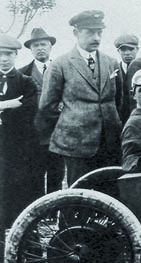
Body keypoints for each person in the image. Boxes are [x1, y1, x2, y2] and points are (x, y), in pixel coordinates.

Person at [36, 10, 123, 186]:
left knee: (111, 192)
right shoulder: (60, 65)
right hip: (76, 145)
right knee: (80, 193)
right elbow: (47, 106)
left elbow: (119, 100)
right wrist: (71, 121)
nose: (96, 37)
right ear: (76, 33)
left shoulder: (111, 63)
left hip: (110, 141)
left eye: (99, 32)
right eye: (90, 32)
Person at [0, 35, 42, 260]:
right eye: (0, 54)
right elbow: (16, 107)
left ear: (16, 56)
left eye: (8, 54)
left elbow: (28, 111)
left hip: (20, 152)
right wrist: (6, 104)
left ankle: (31, 253)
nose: (3, 59)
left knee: (25, 200)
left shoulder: (26, 82)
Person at [19, 27, 64, 194]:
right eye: (36, 45)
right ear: (30, 49)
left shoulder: (60, 69)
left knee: (56, 174)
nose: (40, 48)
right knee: (34, 175)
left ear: (50, 46)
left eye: (43, 44)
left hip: (57, 133)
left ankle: (54, 211)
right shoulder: (22, 73)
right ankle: (38, 214)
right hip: (33, 135)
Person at [114, 33, 140, 125]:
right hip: (120, 120)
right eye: (123, 49)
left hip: (139, 118)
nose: (127, 53)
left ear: (137, 49)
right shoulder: (114, 71)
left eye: (131, 49)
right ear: (118, 51)